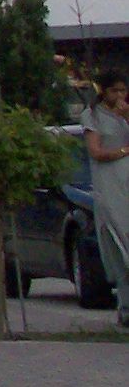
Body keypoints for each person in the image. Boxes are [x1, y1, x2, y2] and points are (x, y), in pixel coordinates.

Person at [83, 72, 129, 326]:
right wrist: (124, 151)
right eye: (115, 91)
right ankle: (126, 310)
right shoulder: (93, 116)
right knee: (119, 244)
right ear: (104, 91)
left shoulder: (125, 115)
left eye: (123, 91)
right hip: (111, 186)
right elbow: (96, 151)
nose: (120, 96)